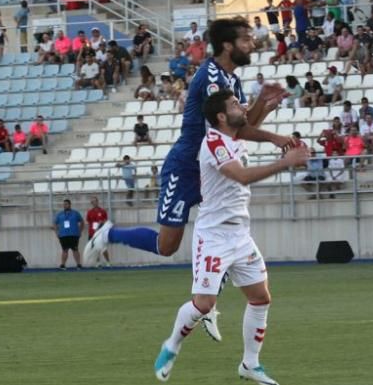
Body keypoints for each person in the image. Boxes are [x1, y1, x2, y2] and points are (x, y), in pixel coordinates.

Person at [84, 18, 291, 339]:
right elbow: (235, 130)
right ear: (227, 45)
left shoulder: (231, 82)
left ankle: (206, 303)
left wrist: (264, 104)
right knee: (167, 246)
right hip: (185, 169)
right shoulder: (211, 78)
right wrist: (276, 138)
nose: (252, 44)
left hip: (214, 171)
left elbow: (239, 131)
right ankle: (110, 233)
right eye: (246, 39)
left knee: (224, 233)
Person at [153, 89, 309, 385]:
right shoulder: (213, 142)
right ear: (221, 116)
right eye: (236, 104)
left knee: (261, 297)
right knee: (203, 304)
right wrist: (286, 161)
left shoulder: (232, 137)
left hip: (239, 233)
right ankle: (171, 346)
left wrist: (274, 129)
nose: (242, 106)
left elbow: (248, 127)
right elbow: (242, 176)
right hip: (213, 234)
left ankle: (250, 364)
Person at [52, 199, 84, 270]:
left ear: (70, 204)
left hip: (74, 234)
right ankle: (63, 265)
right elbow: (54, 223)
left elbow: (82, 222)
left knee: (75, 250)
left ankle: (78, 264)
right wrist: (57, 232)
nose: (64, 205)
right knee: (64, 250)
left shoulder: (75, 213)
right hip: (63, 235)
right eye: (64, 204)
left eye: (66, 204)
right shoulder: (60, 214)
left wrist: (80, 231)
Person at [85, 196, 112, 267]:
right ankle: (98, 262)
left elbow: (106, 221)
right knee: (95, 248)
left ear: (97, 202)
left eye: (95, 201)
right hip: (92, 233)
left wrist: (101, 222)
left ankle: (108, 262)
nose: (94, 203)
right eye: (92, 202)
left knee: (103, 248)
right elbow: (88, 221)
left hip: (100, 233)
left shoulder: (102, 211)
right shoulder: (89, 212)